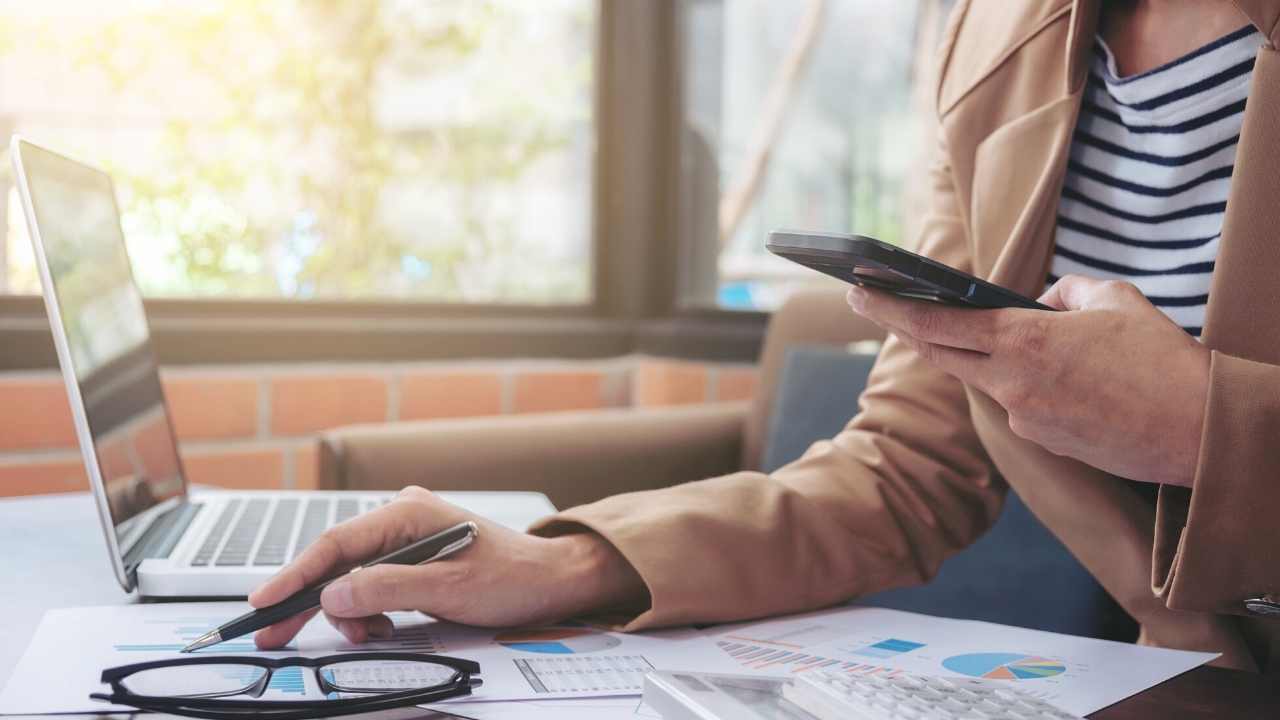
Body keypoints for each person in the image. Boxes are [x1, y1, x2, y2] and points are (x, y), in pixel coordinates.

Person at [252, 0, 1280, 673]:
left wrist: (1207, 429)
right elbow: (909, 468)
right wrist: (563, 564)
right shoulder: (995, 35)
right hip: (1198, 686)